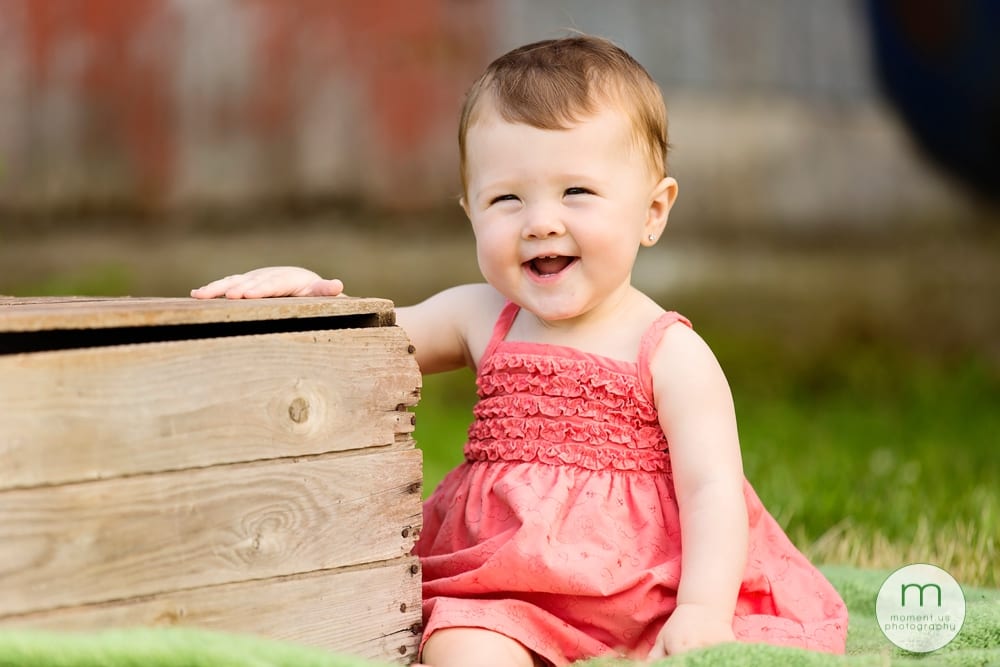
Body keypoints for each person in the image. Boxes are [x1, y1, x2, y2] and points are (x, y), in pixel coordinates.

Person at [192, 35, 848, 666]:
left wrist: (701, 608)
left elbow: (712, 492)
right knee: (461, 644)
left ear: (653, 211)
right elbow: (369, 349)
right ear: (470, 210)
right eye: (507, 198)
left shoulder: (671, 353)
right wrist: (311, 299)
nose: (540, 221)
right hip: (500, 590)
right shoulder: (482, 315)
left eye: (577, 192)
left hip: (642, 596)